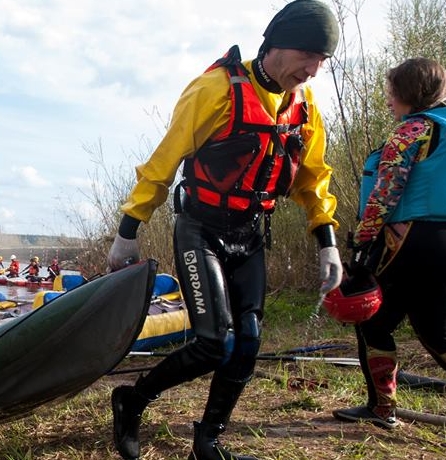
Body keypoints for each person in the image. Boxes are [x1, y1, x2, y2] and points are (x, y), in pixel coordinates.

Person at [105, 1, 343, 459]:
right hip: (202, 229)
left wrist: (326, 242)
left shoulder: (304, 107)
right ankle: (131, 400)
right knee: (214, 343)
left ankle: (207, 442)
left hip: (250, 233)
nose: (313, 70)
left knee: (249, 341)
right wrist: (128, 229)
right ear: (275, 44)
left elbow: (313, 179)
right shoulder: (214, 89)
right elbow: (164, 162)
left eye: (323, 61)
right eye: (308, 55)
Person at [331, 57, 446, 430]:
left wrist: (363, 241)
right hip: (439, 242)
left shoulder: (412, 130)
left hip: (410, 240)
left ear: (408, 92)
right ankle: (382, 409)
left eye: (391, 92)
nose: (388, 101)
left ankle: (383, 409)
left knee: (374, 318)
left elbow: (386, 191)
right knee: (428, 324)